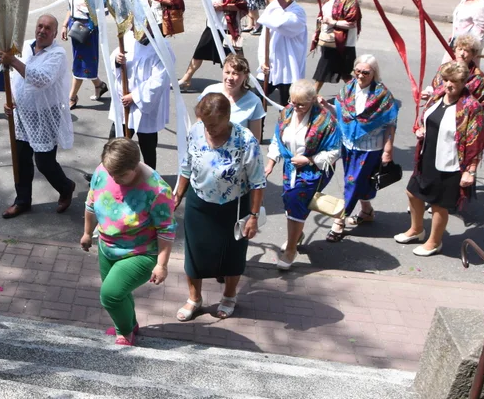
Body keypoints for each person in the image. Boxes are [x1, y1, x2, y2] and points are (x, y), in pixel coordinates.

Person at [174, 93, 264, 321]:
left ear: (227, 117)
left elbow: (257, 181)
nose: (208, 128)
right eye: (204, 123)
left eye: (213, 124)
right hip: (199, 202)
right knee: (194, 253)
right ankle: (194, 298)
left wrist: (253, 215)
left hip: (234, 207)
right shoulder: (196, 130)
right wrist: (177, 195)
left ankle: (229, 296)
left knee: (232, 255)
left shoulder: (245, 140)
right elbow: (187, 165)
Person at [81, 138, 175, 346]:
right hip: (107, 247)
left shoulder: (157, 190)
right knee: (120, 293)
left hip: (140, 252)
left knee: (110, 295)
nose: (114, 179)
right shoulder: (103, 171)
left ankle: (124, 333)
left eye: (121, 175)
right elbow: (91, 203)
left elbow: (166, 230)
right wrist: (88, 233)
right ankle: (129, 324)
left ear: (135, 166)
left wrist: (161, 265)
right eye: (111, 173)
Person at [396, 62, 484, 256]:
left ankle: (434, 242)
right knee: (413, 193)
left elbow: (475, 142)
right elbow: (429, 120)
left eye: (453, 81)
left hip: (450, 163)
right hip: (427, 156)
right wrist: (422, 130)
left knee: (438, 204)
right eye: (445, 80)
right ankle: (417, 230)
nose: (448, 85)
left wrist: (470, 171)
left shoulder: (472, 107)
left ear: (463, 82)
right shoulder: (437, 96)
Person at [0, 15, 77, 219]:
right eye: (40, 26)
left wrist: (14, 61)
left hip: (45, 115)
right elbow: (12, 75)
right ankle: (22, 200)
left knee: (44, 162)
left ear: (54, 33)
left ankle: (66, 187)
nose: (42, 31)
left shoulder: (57, 54)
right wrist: (12, 100)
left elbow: (42, 79)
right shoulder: (24, 46)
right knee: (21, 159)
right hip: (21, 113)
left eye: (48, 28)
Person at [265, 79, 340, 270]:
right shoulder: (286, 113)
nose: (296, 107)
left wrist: (309, 160)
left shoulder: (326, 121)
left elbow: (335, 151)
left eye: (301, 104)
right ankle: (296, 235)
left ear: (313, 100)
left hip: (312, 171)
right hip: (290, 168)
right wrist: (271, 163)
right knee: (291, 203)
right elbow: (277, 138)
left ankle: (291, 249)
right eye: (293, 102)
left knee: (295, 201)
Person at [326, 55, 398, 242]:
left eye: (365, 72)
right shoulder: (347, 89)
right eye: (357, 71)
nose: (360, 76)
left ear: (374, 73)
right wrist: (324, 105)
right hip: (348, 143)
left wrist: (388, 149)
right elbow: (340, 114)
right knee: (358, 181)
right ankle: (366, 211)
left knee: (352, 182)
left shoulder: (383, 95)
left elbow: (391, 123)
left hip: (370, 148)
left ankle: (339, 221)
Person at [107, 29, 173, 170]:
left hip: (144, 107)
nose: (131, 28)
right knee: (115, 141)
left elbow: (160, 79)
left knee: (147, 147)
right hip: (124, 101)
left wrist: (135, 96)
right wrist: (117, 60)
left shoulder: (161, 47)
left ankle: (150, 180)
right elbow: (115, 57)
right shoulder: (128, 37)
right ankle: (107, 173)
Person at [179, 0, 245, 89]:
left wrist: (223, 7)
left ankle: (240, 85)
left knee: (233, 61)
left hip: (227, 28)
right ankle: (186, 79)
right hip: (212, 26)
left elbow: (243, 6)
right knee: (199, 53)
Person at [62, 0, 108, 108]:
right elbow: (70, 9)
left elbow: (103, 11)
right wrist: (64, 25)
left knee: (81, 63)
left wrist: (90, 11)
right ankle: (99, 85)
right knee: (84, 61)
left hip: (87, 29)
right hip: (75, 27)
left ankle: (72, 96)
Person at [257, 0, 308, 107]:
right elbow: (264, 39)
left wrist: (272, 1)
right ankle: (258, 126)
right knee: (256, 102)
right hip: (269, 67)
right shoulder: (273, 8)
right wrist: (262, 61)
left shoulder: (298, 12)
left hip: (288, 71)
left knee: (287, 109)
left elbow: (280, 23)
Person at [312, 0, 361, 91]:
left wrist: (333, 22)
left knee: (324, 69)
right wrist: (317, 32)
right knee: (342, 72)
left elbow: (352, 23)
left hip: (341, 43)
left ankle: (311, 96)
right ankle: (359, 91)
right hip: (330, 39)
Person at [199, 54, 265, 141]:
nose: (230, 78)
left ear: (245, 76)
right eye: (227, 72)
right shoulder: (209, 92)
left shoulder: (254, 101)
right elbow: (198, 128)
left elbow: (255, 140)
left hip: (238, 152)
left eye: (235, 74)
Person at [422, 35, 484, 104]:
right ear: (455, 50)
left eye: (466, 51)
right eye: (460, 49)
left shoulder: (478, 77)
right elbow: (435, 87)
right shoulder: (444, 68)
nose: (462, 53)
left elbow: (482, 102)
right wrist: (428, 94)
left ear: (473, 54)